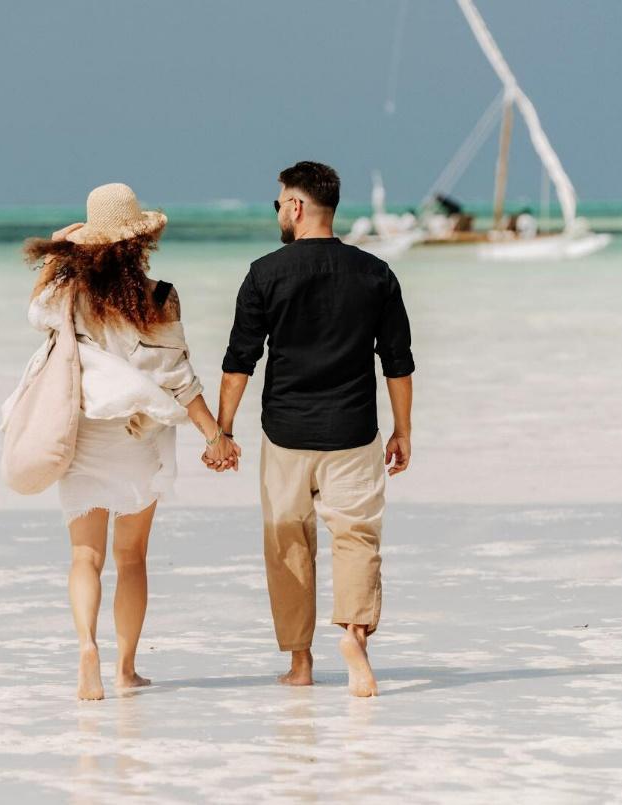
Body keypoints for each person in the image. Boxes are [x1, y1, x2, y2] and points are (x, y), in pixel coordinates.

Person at [24, 183, 239, 701]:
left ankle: (86, 650)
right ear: (142, 240)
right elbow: (178, 377)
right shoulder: (159, 296)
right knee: (133, 558)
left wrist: (61, 250)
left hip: (83, 433)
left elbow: (35, 312)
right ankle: (125, 668)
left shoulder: (67, 296)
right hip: (138, 435)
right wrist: (217, 437)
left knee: (84, 557)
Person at [211, 161, 415, 698]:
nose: (278, 210)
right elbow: (397, 362)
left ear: (297, 207)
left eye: (279, 202)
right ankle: (354, 639)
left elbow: (240, 362)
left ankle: (301, 663)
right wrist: (403, 431)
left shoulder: (264, 274)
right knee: (357, 539)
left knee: (288, 543)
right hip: (353, 431)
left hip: (285, 433)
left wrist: (222, 431)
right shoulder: (376, 274)